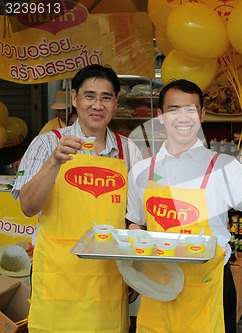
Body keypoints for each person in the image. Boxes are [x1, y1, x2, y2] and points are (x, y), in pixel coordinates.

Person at [125, 79, 242, 333]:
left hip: (210, 286)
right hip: (159, 284)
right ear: (160, 117)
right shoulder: (141, 171)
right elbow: (135, 221)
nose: (183, 118)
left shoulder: (223, 166)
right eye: (174, 110)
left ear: (201, 115)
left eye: (191, 109)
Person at [11, 64, 143, 333]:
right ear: (74, 99)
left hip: (108, 280)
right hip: (58, 277)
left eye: (106, 97)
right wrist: (54, 162)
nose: (97, 104)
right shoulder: (47, 144)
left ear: (115, 104)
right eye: (89, 95)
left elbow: (135, 220)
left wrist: (136, 271)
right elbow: (28, 206)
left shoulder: (128, 151)